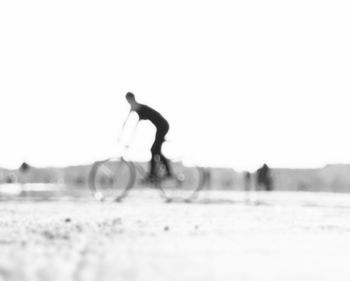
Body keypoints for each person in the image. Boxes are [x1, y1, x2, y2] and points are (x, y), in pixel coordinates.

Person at [121, 92, 172, 181]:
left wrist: (129, 139)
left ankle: (160, 174)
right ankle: (156, 174)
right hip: (160, 127)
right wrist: (122, 134)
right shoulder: (135, 109)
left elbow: (133, 125)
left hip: (163, 126)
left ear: (132, 99)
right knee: (156, 150)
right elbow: (127, 122)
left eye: (129, 101)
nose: (129, 103)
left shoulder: (140, 108)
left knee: (154, 150)